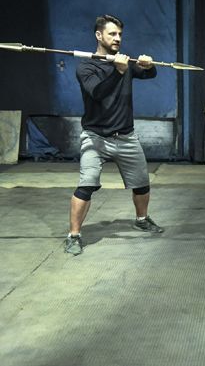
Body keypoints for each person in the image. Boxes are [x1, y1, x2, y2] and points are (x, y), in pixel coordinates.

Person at [64, 14, 164, 255]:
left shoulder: (124, 62)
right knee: (86, 185)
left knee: (142, 183)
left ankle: (142, 219)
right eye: (112, 34)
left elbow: (149, 75)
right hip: (95, 137)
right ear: (99, 36)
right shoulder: (86, 67)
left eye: (120, 34)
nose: (118, 38)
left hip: (126, 136)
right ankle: (74, 236)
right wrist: (118, 72)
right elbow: (98, 93)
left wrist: (148, 65)